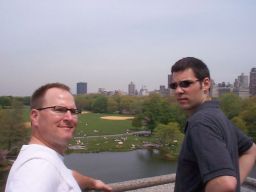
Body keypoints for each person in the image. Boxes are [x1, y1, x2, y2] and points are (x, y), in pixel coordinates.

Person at [5, 83, 112, 192]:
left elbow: (67, 175)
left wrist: (93, 182)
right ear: (35, 116)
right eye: (60, 109)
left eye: (74, 111)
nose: (69, 117)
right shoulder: (38, 166)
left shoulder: (45, 160)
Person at [170, 57, 256, 192]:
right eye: (174, 85)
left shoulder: (201, 122)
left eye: (185, 84)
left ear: (205, 84)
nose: (178, 91)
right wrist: (236, 184)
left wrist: (231, 185)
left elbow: (224, 184)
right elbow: (251, 150)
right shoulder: (217, 115)